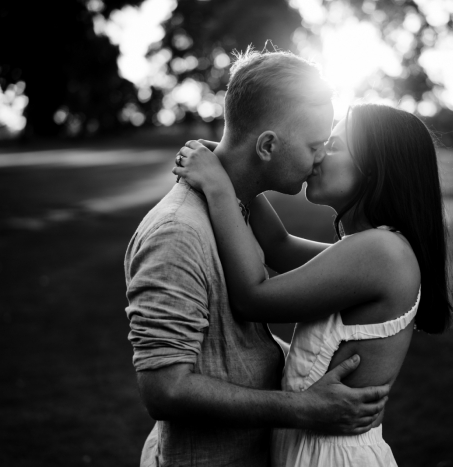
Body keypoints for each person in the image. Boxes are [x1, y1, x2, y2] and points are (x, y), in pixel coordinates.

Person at [124, 49, 390, 467]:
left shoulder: (236, 211)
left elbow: (281, 251)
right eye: (314, 145)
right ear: (267, 145)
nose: (320, 159)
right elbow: (164, 390)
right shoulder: (179, 232)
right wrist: (299, 406)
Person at [173, 103, 453, 466]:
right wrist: (233, 167)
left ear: (376, 167)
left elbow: (253, 297)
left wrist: (218, 188)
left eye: (335, 146)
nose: (318, 155)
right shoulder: (372, 249)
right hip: (313, 446)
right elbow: (279, 245)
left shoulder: (382, 252)